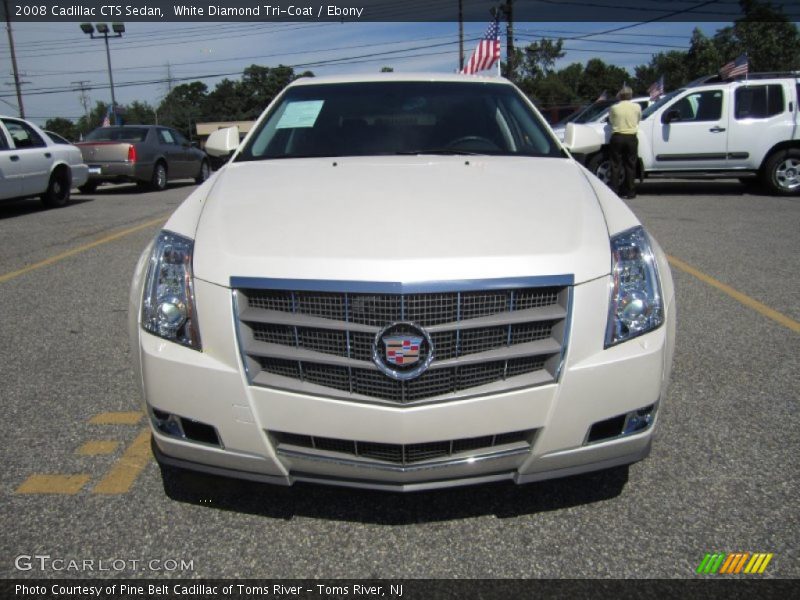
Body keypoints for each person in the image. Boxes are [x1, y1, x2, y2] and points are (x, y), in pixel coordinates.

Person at [607, 85, 641, 199]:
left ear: (620, 96)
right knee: (631, 165)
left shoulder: (614, 108)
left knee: (615, 164)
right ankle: (630, 191)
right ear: (631, 95)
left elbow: (611, 120)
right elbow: (638, 119)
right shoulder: (637, 107)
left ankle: (614, 190)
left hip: (617, 136)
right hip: (631, 137)